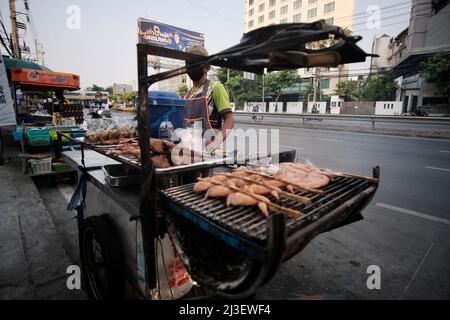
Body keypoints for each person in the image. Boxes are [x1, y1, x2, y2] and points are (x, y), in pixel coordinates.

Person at [184, 45, 234, 153]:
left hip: (206, 152)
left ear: (207, 67)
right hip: (187, 150)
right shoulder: (186, 94)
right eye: (188, 64)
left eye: (195, 64)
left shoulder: (216, 88)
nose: (191, 67)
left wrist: (216, 142)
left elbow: (229, 120)